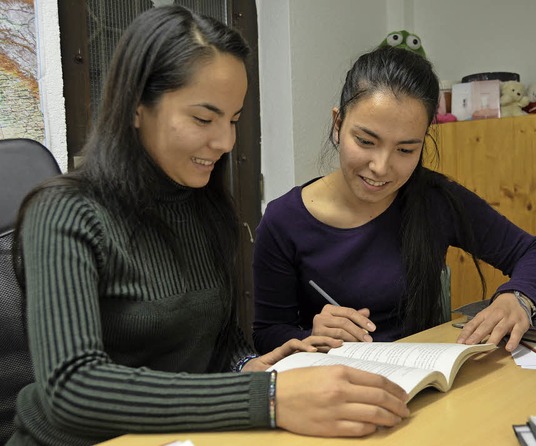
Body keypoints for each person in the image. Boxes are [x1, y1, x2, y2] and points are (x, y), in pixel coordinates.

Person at [8, 7, 411, 445]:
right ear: (137, 107)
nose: (225, 142)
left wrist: (246, 366)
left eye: (233, 120)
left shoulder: (201, 204)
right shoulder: (64, 212)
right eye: (204, 118)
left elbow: (215, 344)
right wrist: (269, 396)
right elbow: (71, 388)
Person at [252, 46, 536, 355]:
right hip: (335, 390)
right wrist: (311, 336)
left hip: (424, 383)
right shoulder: (284, 220)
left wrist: (517, 297)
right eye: (365, 141)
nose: (381, 167)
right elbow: (267, 333)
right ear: (337, 125)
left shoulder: (434, 199)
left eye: (405, 150)